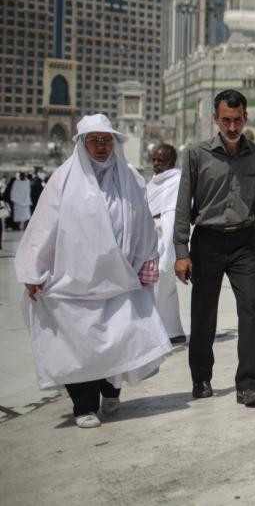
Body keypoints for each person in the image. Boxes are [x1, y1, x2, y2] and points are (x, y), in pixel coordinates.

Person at [16, 114, 171, 428]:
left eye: (106, 140)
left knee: (118, 338)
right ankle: (84, 406)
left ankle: (110, 390)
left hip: (120, 276)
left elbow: (142, 223)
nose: (101, 147)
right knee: (80, 345)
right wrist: (33, 270)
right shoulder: (64, 180)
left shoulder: (129, 178)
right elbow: (45, 226)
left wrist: (147, 260)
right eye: (94, 141)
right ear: (82, 143)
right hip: (75, 281)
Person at [174, 89, 255, 407]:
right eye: (226, 120)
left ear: (245, 118)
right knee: (204, 314)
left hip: (242, 241)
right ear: (215, 118)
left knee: (250, 311)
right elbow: (183, 207)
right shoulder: (196, 154)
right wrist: (181, 252)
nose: (231, 127)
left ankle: (248, 383)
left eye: (237, 120)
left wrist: (254, 238)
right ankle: (201, 378)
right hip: (208, 241)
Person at [146, 144, 186, 344]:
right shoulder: (153, 182)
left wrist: (171, 253)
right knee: (165, 290)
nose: (156, 164)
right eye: (154, 159)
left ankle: (158, 332)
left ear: (172, 162)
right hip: (150, 238)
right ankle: (173, 332)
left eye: (161, 161)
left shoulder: (177, 181)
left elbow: (172, 216)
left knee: (160, 284)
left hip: (164, 240)